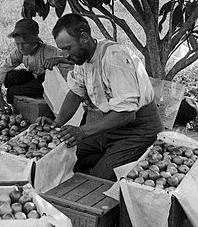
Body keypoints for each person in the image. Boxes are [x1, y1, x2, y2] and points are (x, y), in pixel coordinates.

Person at [50, 13, 164, 181]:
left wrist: (83, 131)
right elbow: (75, 93)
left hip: (138, 131)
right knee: (61, 154)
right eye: (62, 49)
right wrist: (56, 124)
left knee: (99, 180)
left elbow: (127, 114)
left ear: (84, 38)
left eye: (67, 48)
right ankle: (110, 159)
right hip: (110, 127)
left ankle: (118, 163)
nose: (65, 55)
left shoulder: (113, 58)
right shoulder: (82, 59)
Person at [0, 18, 72, 117]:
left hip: (46, 83)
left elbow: (75, 61)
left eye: (24, 44)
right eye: (18, 44)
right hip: (33, 77)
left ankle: (16, 114)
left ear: (34, 42)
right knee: (10, 76)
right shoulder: (19, 52)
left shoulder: (50, 52)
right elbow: (2, 69)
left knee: (12, 92)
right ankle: (7, 107)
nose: (21, 47)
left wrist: (58, 59)